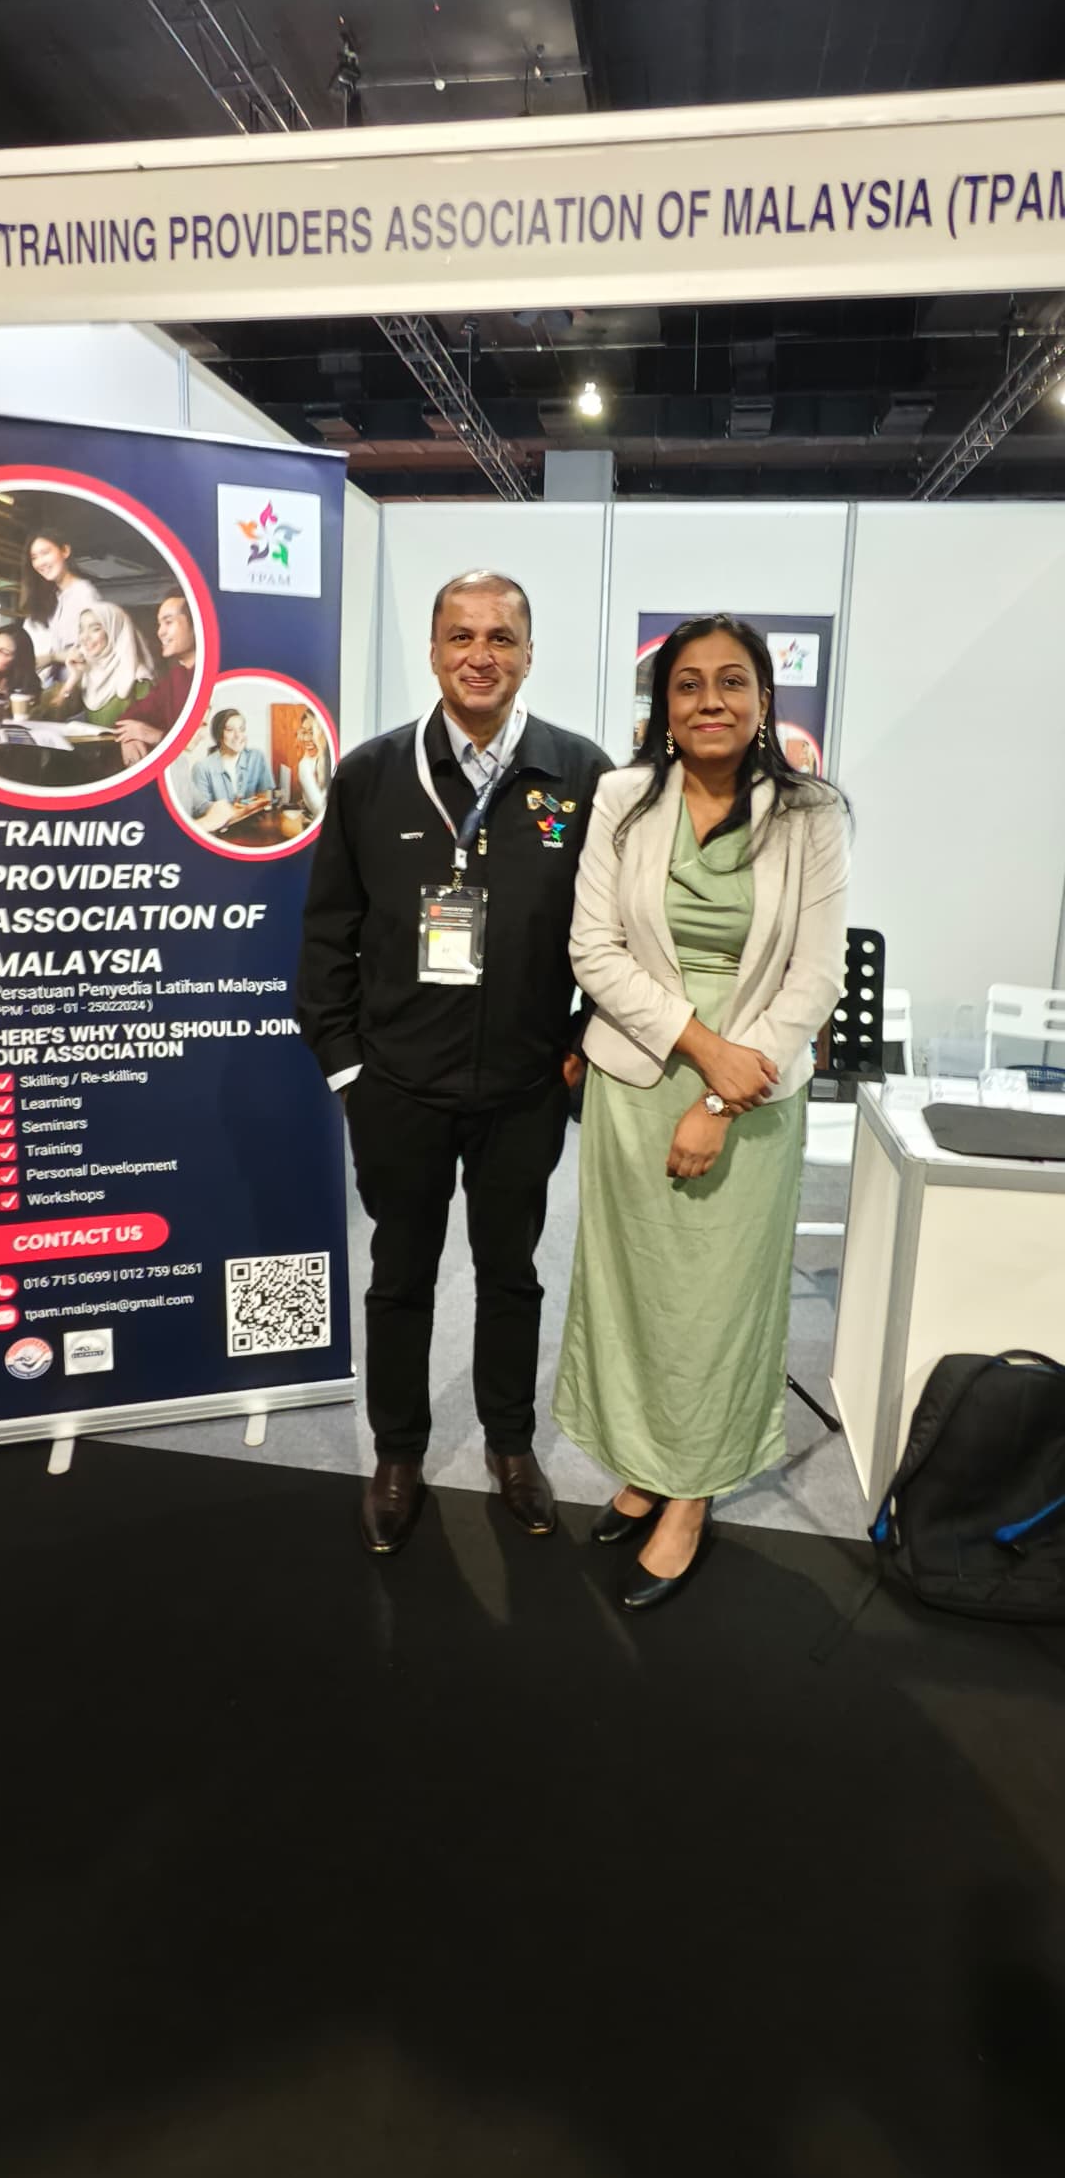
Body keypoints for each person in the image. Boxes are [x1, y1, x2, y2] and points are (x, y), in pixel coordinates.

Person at [296, 569, 609, 1556]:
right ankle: (398, 1454)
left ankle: (510, 1445)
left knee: (511, 1273)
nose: (481, 655)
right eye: (461, 636)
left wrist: (579, 1049)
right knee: (400, 1276)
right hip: (398, 1088)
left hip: (525, 1087)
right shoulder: (372, 774)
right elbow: (327, 935)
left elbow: (619, 934)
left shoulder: (583, 775)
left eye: (501, 637)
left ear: (529, 653)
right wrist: (348, 1071)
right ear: (433, 652)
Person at [554, 614, 849, 1613]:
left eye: (731, 681)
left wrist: (724, 1088)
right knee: (633, 1290)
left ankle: (691, 1491)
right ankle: (644, 1463)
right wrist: (699, 1046)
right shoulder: (623, 798)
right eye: (688, 684)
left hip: (753, 1089)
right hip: (637, 1079)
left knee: (717, 1303)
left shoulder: (811, 814)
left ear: (764, 700)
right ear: (664, 705)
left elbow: (815, 975)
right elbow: (594, 949)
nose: (709, 701)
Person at [115, 593, 197, 767]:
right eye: (160, 624)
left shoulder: (217, 675)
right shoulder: (175, 678)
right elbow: (130, 715)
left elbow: (208, 748)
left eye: (169, 622)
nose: (160, 632)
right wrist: (129, 738)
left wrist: (156, 736)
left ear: (196, 624)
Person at [18, 530, 109, 679]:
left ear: (65, 551)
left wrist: (52, 657)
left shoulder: (84, 594)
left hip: (76, 683)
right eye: (34, 557)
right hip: (40, 684)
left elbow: (92, 649)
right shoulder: (47, 596)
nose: (40, 562)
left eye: (45, 553)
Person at [47, 601, 152, 729]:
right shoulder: (87, 674)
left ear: (114, 631)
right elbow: (53, 716)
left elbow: (146, 729)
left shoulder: (139, 680)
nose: (84, 637)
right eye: (81, 630)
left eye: (95, 629)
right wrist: (72, 679)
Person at [190, 709, 273, 820]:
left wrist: (254, 804)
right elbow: (200, 812)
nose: (238, 736)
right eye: (230, 730)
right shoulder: (202, 768)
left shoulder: (257, 757)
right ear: (218, 734)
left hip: (254, 823)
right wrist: (231, 811)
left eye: (242, 729)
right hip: (221, 827)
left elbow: (267, 796)